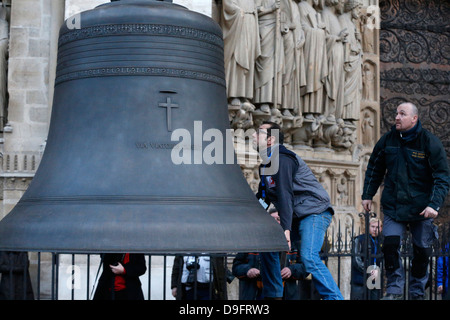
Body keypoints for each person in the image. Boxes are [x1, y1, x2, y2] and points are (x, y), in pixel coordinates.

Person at [362, 102, 450, 300]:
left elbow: (442, 177)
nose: (397, 117)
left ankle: (417, 291)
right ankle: (394, 289)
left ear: (414, 118)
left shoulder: (429, 142)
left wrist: (434, 204)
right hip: (394, 206)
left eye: (402, 114)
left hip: (422, 208)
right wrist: (368, 194)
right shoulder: (387, 140)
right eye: (396, 113)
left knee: (422, 252)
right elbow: (374, 168)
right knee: (390, 246)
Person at [253, 121, 343, 300]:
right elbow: (264, 198)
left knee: (309, 257)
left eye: (259, 132)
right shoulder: (265, 166)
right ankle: (273, 295)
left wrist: (286, 229)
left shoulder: (283, 158)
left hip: (314, 211)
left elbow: (285, 194)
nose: (254, 135)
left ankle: (335, 298)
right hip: (296, 215)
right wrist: (250, 214)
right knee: (268, 243)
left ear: (271, 140)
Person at [350, 218, 383, 300]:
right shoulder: (359, 239)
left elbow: (382, 259)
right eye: (372, 226)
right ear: (368, 227)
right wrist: (368, 270)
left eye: (377, 227)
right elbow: (356, 259)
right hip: (360, 279)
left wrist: (378, 271)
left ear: (381, 228)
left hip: (375, 279)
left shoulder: (381, 241)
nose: (375, 229)